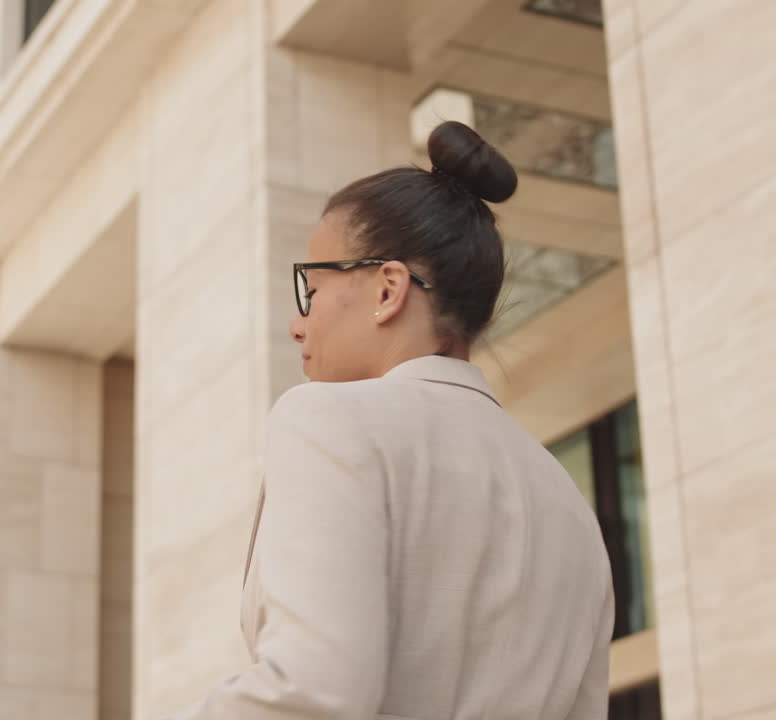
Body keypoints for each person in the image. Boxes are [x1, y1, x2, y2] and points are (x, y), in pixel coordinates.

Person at [170, 121, 614, 719]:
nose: (297, 324)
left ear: (388, 289)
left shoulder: (329, 420)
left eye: (313, 288)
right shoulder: (568, 503)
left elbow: (311, 692)